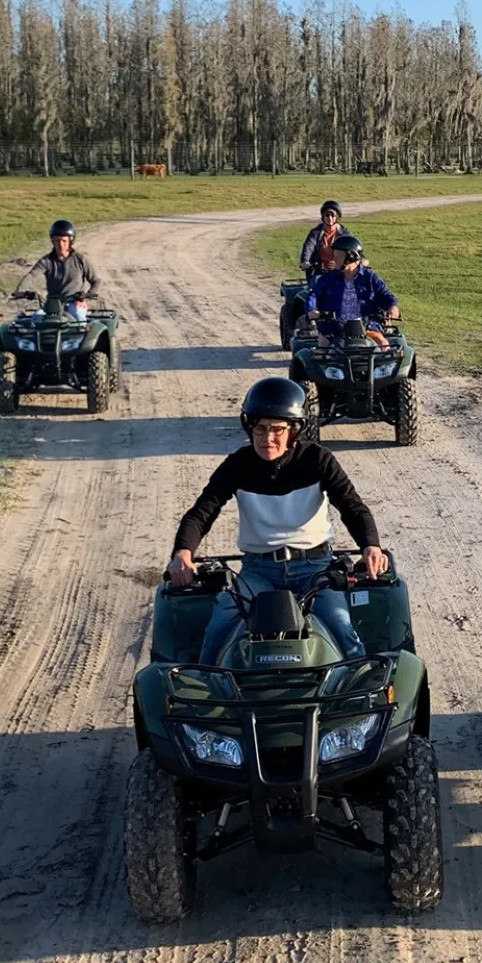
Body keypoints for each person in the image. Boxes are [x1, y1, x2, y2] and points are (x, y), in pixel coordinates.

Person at [167, 377, 389, 666]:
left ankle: (357, 695)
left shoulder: (318, 460)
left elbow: (352, 506)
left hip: (315, 569)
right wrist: (183, 552)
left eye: (276, 429)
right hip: (259, 571)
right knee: (221, 623)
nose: (266, 438)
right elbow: (202, 511)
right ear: (249, 428)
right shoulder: (238, 464)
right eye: (259, 428)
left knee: (340, 625)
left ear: (294, 430)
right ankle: (208, 688)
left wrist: (371, 545)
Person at [306, 234, 400, 348]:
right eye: (334, 255)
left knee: (384, 347)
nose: (334, 259)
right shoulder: (328, 278)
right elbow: (314, 294)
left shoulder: (370, 277)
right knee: (322, 348)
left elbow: (386, 295)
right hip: (333, 329)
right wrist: (313, 309)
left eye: (338, 255)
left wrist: (393, 307)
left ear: (351, 257)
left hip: (367, 327)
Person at [14, 220, 99, 322]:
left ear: (70, 241)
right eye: (57, 241)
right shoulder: (46, 260)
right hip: (52, 304)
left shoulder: (80, 260)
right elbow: (32, 275)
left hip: (74, 302)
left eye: (64, 241)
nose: (60, 244)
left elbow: (96, 281)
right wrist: (20, 291)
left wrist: (85, 297)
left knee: (78, 317)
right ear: (52, 241)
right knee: (36, 319)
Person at [299, 201, 345, 276]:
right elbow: (309, 246)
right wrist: (305, 261)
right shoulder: (316, 232)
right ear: (323, 217)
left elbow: (352, 248)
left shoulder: (344, 234)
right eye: (327, 215)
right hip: (319, 272)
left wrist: (340, 264)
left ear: (337, 217)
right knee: (316, 285)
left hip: (340, 272)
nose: (330, 218)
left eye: (332, 215)